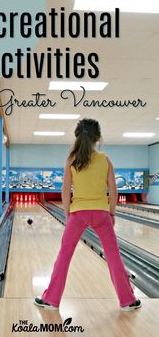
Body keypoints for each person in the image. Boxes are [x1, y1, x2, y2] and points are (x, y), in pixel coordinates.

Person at [34, 118, 141, 311]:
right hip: (101, 214)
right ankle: (128, 300)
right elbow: (114, 191)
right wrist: (112, 213)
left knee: (64, 256)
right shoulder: (105, 159)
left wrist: (68, 215)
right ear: (98, 137)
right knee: (113, 255)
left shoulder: (71, 160)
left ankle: (51, 300)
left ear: (77, 136)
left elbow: (65, 191)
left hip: (78, 214)